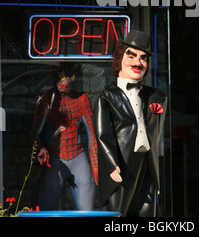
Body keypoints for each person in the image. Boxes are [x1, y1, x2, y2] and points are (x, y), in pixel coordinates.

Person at [93, 30, 167, 217]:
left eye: (143, 58)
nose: (137, 63)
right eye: (131, 56)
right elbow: (103, 134)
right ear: (119, 58)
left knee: (148, 210)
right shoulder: (107, 96)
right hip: (123, 162)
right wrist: (111, 163)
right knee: (118, 212)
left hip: (147, 162)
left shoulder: (153, 96)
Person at [31, 63, 98, 211]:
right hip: (54, 159)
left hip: (78, 158)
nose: (65, 79)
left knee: (87, 213)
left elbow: (92, 136)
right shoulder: (47, 100)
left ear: (74, 77)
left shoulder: (82, 99)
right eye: (62, 74)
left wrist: (95, 166)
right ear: (56, 76)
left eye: (69, 74)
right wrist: (40, 148)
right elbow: (34, 134)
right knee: (43, 211)